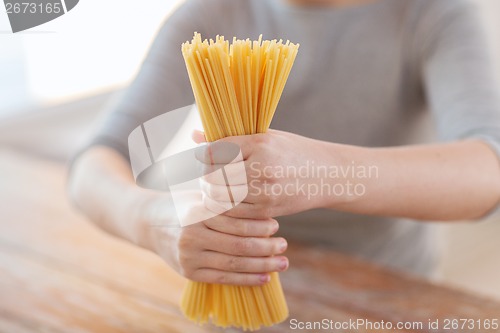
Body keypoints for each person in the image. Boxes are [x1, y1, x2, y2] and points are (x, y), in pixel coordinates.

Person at [69, 0, 500, 286]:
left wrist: (326, 174)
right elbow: (93, 165)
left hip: (385, 292)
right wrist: (154, 220)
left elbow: (488, 168)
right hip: (234, 292)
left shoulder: (432, 13)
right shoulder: (208, 16)